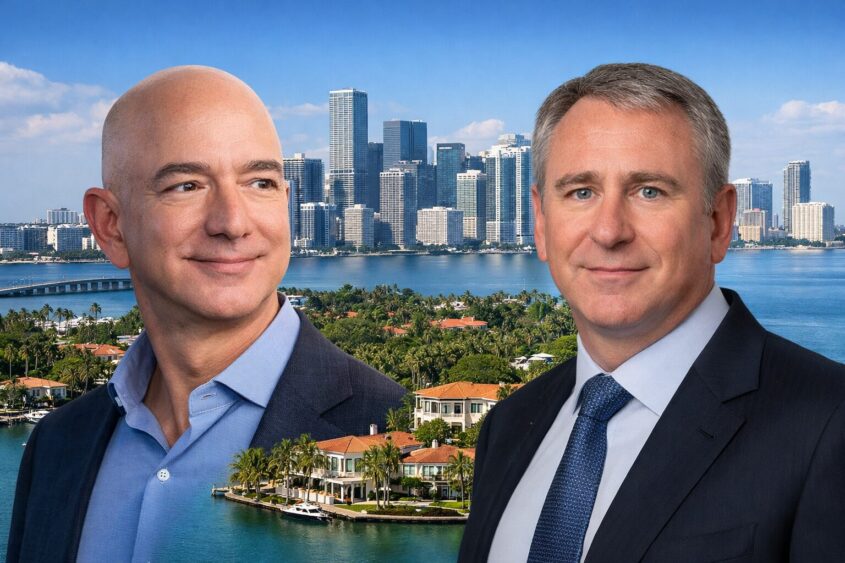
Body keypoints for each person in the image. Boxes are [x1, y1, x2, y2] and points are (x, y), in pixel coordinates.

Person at [7, 66, 405, 562]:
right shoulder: (57, 445)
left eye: (260, 182)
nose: (232, 223)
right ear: (110, 226)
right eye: (186, 186)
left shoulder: (392, 429)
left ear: (286, 202)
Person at [459, 63, 845, 563]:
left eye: (649, 191)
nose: (609, 231)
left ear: (718, 222)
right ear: (540, 222)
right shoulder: (510, 425)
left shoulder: (829, 425)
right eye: (581, 192)